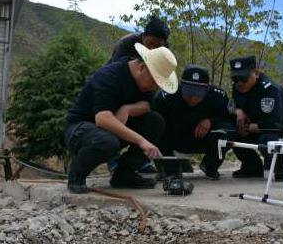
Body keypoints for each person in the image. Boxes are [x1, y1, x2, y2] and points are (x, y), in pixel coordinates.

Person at [65, 43, 178, 193]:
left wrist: (128, 109)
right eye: (154, 82)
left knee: (155, 121)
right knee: (107, 142)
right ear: (142, 68)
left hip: (114, 128)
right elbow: (103, 119)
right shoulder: (109, 76)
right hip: (82, 129)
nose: (154, 88)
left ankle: (124, 174)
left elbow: (147, 105)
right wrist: (141, 141)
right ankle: (77, 175)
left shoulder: (146, 83)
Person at [107, 15, 170, 173]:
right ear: (143, 37)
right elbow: (115, 76)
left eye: (158, 46)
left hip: (142, 96)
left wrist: (133, 107)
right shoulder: (127, 44)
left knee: (156, 117)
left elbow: (156, 87)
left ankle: (137, 160)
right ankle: (112, 158)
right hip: (118, 93)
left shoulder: (164, 54)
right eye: (149, 44)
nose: (152, 49)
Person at [228, 55, 283, 181]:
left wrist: (251, 127)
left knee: (270, 137)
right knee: (231, 130)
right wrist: (238, 111)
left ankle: (281, 169)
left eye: (243, 78)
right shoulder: (237, 88)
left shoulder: (270, 90)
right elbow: (232, 105)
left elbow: (276, 123)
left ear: (256, 73)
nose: (239, 82)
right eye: (235, 78)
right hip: (258, 127)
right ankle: (252, 167)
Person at [154, 65, 235, 180]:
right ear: (181, 85)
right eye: (188, 93)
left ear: (207, 89)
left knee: (228, 129)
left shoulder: (218, 96)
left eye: (197, 94)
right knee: (157, 123)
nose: (192, 98)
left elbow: (229, 118)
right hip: (175, 138)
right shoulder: (166, 96)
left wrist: (210, 121)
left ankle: (210, 165)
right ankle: (170, 169)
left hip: (204, 140)